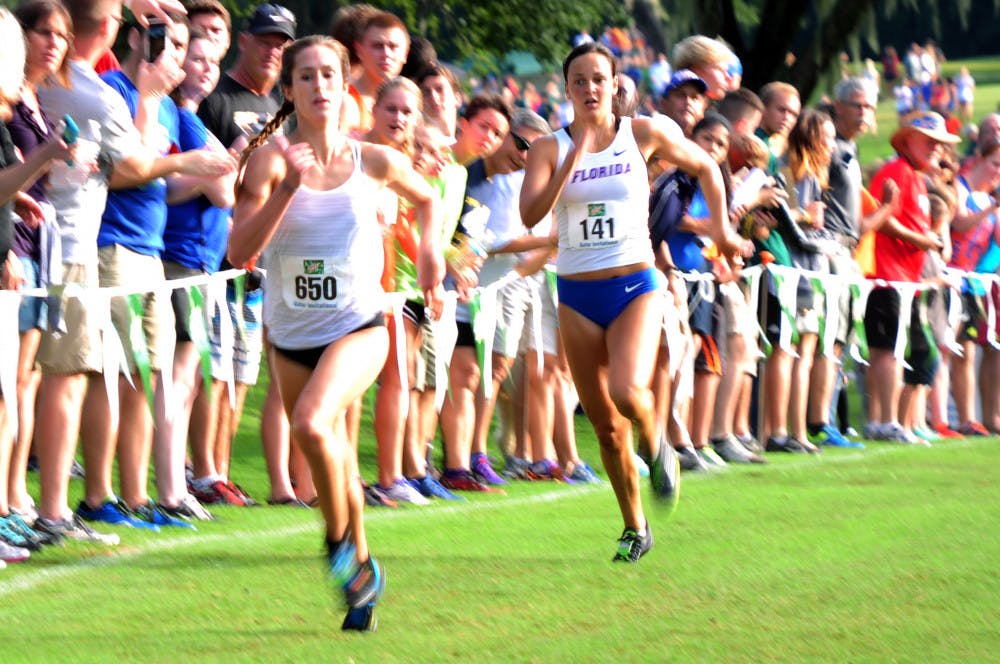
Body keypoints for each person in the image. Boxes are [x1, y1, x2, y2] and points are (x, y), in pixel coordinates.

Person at [227, 35, 443, 631]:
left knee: (311, 424)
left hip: (361, 324)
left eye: (329, 75)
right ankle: (364, 576)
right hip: (291, 334)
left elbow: (428, 202)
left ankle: (336, 544)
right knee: (332, 455)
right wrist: (290, 191)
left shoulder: (371, 159)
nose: (319, 86)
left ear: (343, 86)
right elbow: (239, 249)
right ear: (289, 90)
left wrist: (430, 261)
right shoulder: (271, 162)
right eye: (306, 77)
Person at [520, 42, 742, 563]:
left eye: (600, 79)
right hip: (576, 291)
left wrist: (724, 232)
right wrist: (569, 162)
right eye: (580, 80)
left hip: (635, 283)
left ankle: (658, 440)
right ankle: (635, 526)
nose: (591, 89)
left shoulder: (642, 133)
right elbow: (531, 216)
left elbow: (709, 167)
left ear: (615, 83)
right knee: (602, 424)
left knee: (626, 389)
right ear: (567, 88)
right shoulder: (548, 148)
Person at [196, 2, 295, 508]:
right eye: (266, 39)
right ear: (244, 40)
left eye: (281, 43)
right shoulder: (215, 100)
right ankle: (203, 472)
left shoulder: (283, 106)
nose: (273, 49)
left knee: (241, 371)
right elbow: (205, 177)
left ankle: (224, 469)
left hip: (262, 265)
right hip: (217, 254)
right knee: (214, 369)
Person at [864, 111, 958, 442]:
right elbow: (880, 216)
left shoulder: (916, 177)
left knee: (891, 349)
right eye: (930, 141)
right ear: (908, 140)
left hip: (905, 278)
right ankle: (887, 421)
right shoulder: (897, 172)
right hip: (888, 275)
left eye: (941, 144)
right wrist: (923, 240)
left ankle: (887, 421)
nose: (937, 149)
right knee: (888, 349)